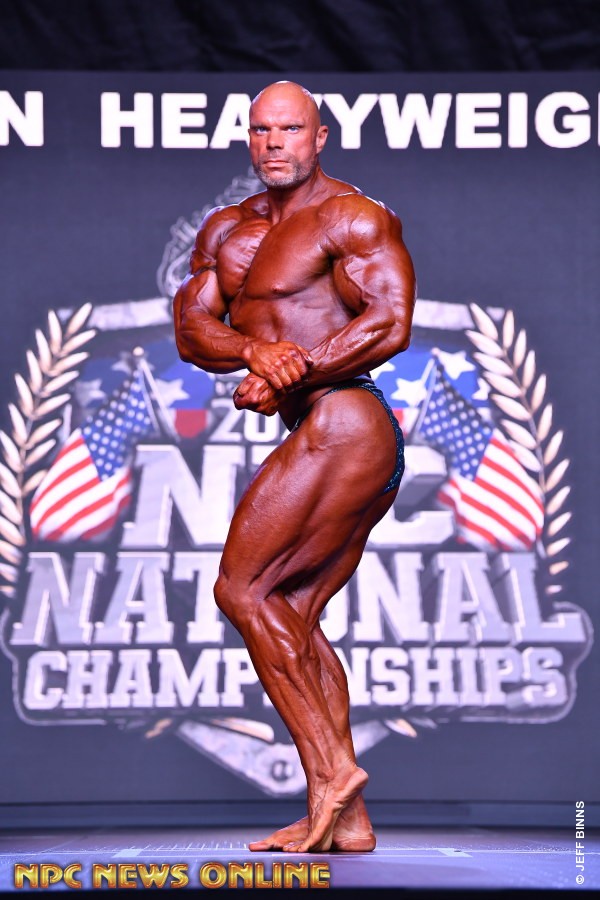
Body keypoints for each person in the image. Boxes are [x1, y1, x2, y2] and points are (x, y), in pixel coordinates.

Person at [173, 81, 416, 853]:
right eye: (261, 130)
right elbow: (191, 328)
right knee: (293, 614)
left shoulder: (353, 216)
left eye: (289, 129)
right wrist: (256, 351)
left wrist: (292, 369)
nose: (274, 142)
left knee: (241, 589)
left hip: (348, 419)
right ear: (250, 139)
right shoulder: (228, 230)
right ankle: (349, 820)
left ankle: (332, 773)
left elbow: (391, 322)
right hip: (323, 423)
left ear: (318, 137)